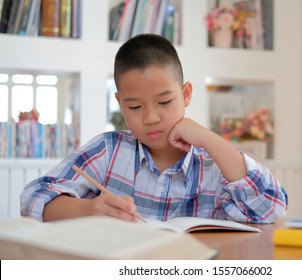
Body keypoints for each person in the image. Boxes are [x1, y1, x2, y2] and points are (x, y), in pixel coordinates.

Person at [20, 34, 288, 223]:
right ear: (120, 104)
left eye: (164, 102)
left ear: (185, 94)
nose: (150, 118)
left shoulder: (215, 164)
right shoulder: (107, 151)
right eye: (135, 107)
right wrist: (90, 208)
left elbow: (272, 208)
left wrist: (209, 138)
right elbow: (32, 197)